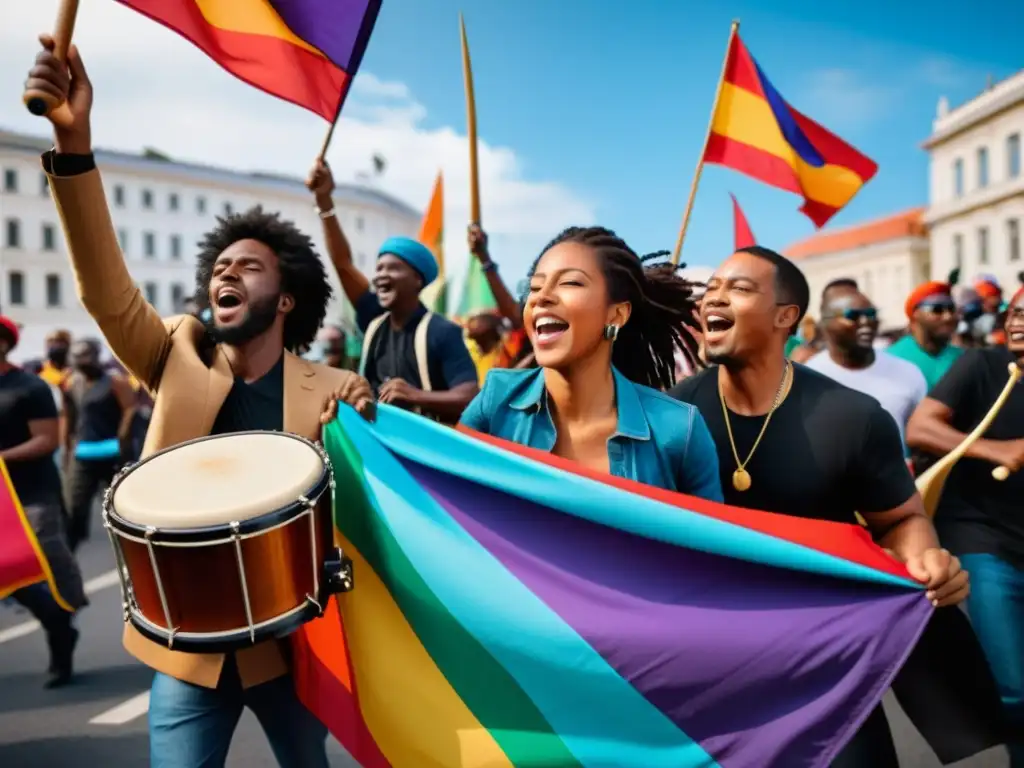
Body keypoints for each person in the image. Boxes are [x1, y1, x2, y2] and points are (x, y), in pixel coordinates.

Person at [25, 37, 373, 768]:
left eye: (249, 266)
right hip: (185, 648)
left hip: (293, 649)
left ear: (286, 300)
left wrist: (376, 411)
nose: (228, 271)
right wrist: (74, 143)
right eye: (220, 265)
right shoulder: (174, 350)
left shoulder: (336, 390)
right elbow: (102, 286)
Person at [668, 246, 987, 767]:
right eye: (712, 290)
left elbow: (901, 518)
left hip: (826, 660)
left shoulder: (852, 417)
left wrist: (924, 557)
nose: (714, 299)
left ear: (785, 317)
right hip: (717, 661)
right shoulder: (672, 415)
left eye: (740, 289)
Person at [460, 226, 722, 501]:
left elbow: (710, 540)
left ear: (617, 315)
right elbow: (445, 498)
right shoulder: (495, 401)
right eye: (535, 287)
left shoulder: (681, 428)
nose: (541, 297)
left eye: (570, 283)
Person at [906, 286, 1024, 765]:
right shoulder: (982, 366)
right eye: (1015, 312)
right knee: (1014, 683)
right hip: (983, 540)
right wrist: (999, 450)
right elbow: (920, 427)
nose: (1018, 320)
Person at [306, 159, 478, 422]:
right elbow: (343, 264)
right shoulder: (374, 319)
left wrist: (414, 395)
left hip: (423, 454)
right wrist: (325, 202)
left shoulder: (442, 332)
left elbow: (469, 397)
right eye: (378, 269)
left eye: (392, 269)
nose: (380, 276)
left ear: (417, 280)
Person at [0, 315, 87, 688]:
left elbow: (46, 440)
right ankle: (60, 627)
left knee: (42, 565)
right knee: (9, 575)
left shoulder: (29, 387)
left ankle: (60, 631)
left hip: (33, 494)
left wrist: (2, 457)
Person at [805, 283, 927, 448]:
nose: (865, 322)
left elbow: (922, 431)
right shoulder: (807, 378)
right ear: (826, 324)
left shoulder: (908, 372)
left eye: (871, 314)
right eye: (853, 316)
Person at [62, 338, 137, 551]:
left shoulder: (115, 381)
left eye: (86, 355)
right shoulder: (72, 383)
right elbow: (68, 418)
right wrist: (67, 451)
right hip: (83, 454)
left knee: (120, 509)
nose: (82, 361)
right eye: (77, 357)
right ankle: (68, 558)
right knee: (73, 510)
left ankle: (132, 553)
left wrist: (123, 440)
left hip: (112, 453)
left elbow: (130, 409)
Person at [888, 280, 963, 390]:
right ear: (915, 314)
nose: (948, 317)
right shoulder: (892, 359)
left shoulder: (962, 358)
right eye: (937, 310)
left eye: (952, 309)